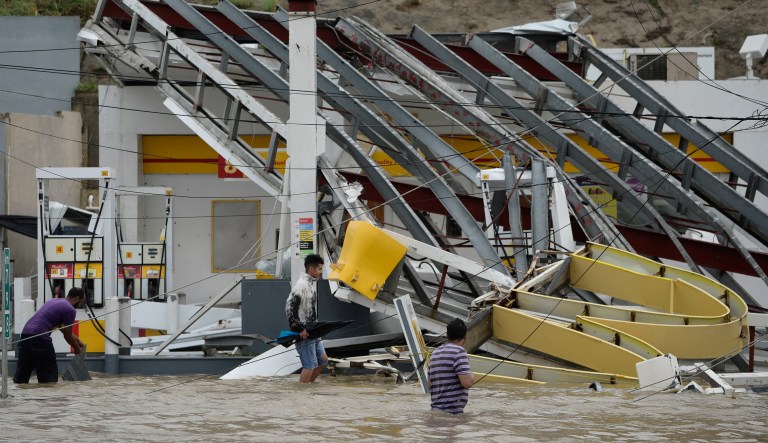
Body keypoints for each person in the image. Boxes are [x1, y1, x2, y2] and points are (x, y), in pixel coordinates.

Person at [13, 287, 85, 384]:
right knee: (49, 379)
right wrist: (77, 349)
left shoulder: (53, 301)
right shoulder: (70, 309)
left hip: (25, 335)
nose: (79, 305)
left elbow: (61, 327)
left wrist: (78, 341)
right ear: (77, 298)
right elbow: (67, 335)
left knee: (21, 377)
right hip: (40, 337)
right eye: (81, 302)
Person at [285, 254, 328, 383]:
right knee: (310, 365)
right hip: (304, 333)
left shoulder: (310, 285)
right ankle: (302, 391)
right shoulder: (301, 285)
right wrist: (299, 328)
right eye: (319, 269)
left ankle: (309, 387)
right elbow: (289, 309)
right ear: (311, 269)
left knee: (323, 360)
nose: (321, 272)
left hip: (313, 331)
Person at [428, 318, 475, 414]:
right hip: (452, 414)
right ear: (465, 335)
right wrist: (472, 376)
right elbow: (467, 383)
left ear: (447, 334)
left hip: (435, 411)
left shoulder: (434, 353)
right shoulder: (459, 352)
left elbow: (429, 384)